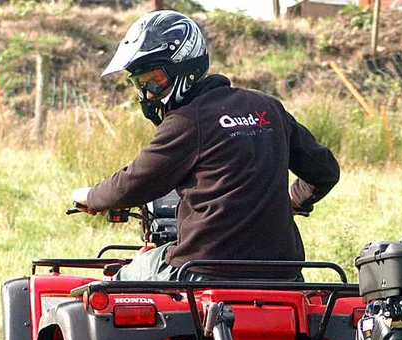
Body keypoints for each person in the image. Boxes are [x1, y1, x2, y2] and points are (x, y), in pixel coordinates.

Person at [71, 10, 340, 281]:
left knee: (119, 283)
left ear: (185, 69)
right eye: (140, 84)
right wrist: (294, 199)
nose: (149, 93)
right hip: (283, 274)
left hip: (204, 270)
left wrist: (91, 196)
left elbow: (134, 182)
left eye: (155, 81)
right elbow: (325, 170)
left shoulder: (187, 120)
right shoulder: (267, 107)